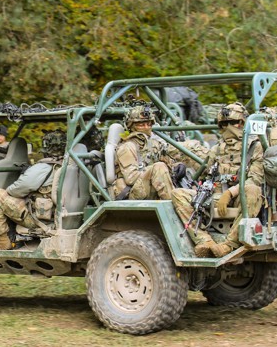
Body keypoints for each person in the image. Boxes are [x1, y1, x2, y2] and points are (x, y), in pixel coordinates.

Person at [171, 102, 264, 257]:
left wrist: (230, 193)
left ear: (242, 124)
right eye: (223, 124)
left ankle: (229, 244)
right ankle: (204, 240)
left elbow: (255, 179)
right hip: (215, 194)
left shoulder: (255, 147)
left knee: (253, 190)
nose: (228, 128)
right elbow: (204, 175)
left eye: (233, 123)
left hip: (239, 197)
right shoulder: (217, 149)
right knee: (178, 194)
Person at [0, 130, 65, 250]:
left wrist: (22, 177)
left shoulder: (42, 168)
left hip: (38, 219)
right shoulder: (67, 165)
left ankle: (2, 240)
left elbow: (16, 191)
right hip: (56, 215)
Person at [110, 105, 174, 201]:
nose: (146, 127)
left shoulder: (152, 144)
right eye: (141, 125)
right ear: (131, 126)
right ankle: (173, 204)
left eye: (149, 124)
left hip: (148, 187)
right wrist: (154, 171)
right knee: (159, 167)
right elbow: (131, 178)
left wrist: (175, 168)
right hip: (132, 193)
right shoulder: (127, 147)